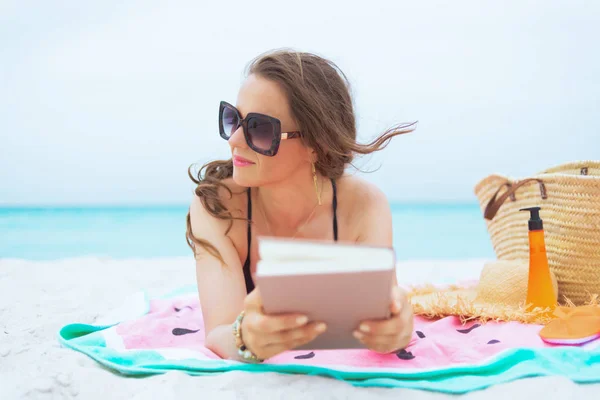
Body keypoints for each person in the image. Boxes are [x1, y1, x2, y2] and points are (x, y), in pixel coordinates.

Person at [186, 49, 416, 362]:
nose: (234, 140)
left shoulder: (363, 206)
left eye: (259, 128)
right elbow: (219, 333)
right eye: (233, 119)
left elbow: (385, 317)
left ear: (315, 146)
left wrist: (395, 331)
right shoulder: (219, 206)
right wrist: (247, 337)